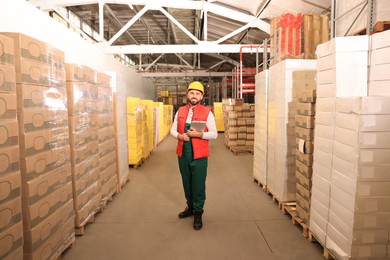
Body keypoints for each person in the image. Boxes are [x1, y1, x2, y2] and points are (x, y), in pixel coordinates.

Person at [170, 81, 218, 230]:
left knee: (198, 184)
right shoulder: (180, 111)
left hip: (199, 155)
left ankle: (198, 212)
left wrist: (199, 134)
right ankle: (190, 207)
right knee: (186, 182)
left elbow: (214, 134)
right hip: (183, 152)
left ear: (202, 96)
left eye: (197, 93)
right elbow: (172, 130)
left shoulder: (207, 112)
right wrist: (180, 136)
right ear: (187, 94)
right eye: (192, 93)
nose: (194, 96)